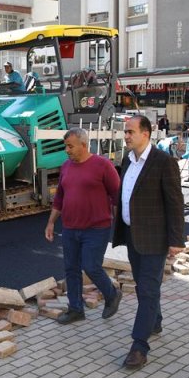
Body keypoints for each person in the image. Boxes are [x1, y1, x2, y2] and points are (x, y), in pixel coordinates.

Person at [113, 115, 185, 370]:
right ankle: (155, 321)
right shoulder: (127, 160)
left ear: (146, 133)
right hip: (133, 236)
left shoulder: (164, 163)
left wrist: (177, 241)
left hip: (155, 238)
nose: (127, 135)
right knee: (145, 286)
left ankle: (139, 346)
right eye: (126, 132)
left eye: (131, 131)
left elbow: (175, 204)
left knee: (148, 289)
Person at [44, 128, 122, 325]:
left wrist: (120, 224)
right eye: (65, 147)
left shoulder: (102, 165)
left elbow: (117, 195)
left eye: (70, 146)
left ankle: (112, 293)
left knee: (91, 266)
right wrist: (51, 222)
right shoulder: (66, 167)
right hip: (70, 228)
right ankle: (76, 309)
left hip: (97, 228)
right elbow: (60, 197)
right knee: (71, 269)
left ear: (83, 145)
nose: (67, 150)